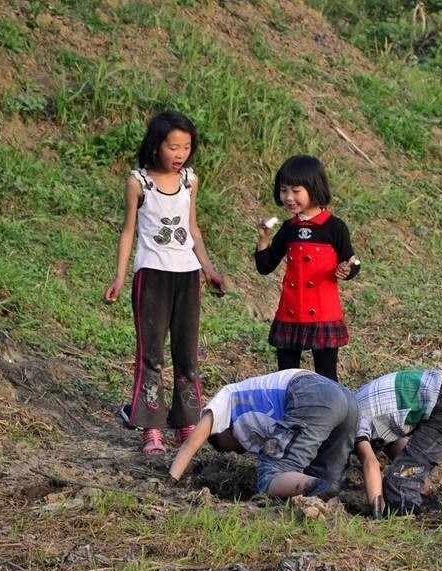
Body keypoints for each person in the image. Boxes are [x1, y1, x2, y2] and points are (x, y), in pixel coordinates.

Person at [104, 111, 226, 455]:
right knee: (151, 356)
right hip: (152, 276)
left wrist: (209, 270)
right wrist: (119, 276)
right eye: (173, 146)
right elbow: (128, 231)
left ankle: (186, 422)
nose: (180, 154)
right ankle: (151, 428)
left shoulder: (190, 181)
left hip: (187, 277)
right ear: (156, 145)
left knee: (187, 355)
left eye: (186, 147)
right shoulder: (138, 182)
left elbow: (193, 229)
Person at [168, 369, 358, 499]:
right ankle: (337, 493)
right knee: (322, 475)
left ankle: (315, 485)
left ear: (221, 432)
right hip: (345, 399)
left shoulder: (225, 399)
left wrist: (170, 481)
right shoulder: (252, 408)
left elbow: (190, 444)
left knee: (270, 475)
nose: (238, 452)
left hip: (311, 393)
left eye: (229, 449)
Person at [254, 154, 360, 382]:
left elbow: (353, 260)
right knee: (286, 377)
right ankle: (290, 413)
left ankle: (332, 415)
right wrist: (263, 240)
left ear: (314, 188)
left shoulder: (334, 227)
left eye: (295, 191)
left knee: (327, 377)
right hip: (291, 310)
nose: (289, 197)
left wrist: (346, 270)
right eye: (284, 190)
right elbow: (265, 266)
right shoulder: (288, 229)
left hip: (323, 312)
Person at [353, 369, 442, 514]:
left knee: (399, 482)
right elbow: (400, 450)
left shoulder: (353, 423)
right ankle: (427, 505)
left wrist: (376, 515)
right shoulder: (356, 405)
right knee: (404, 472)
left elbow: (370, 463)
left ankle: (407, 521)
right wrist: (418, 476)